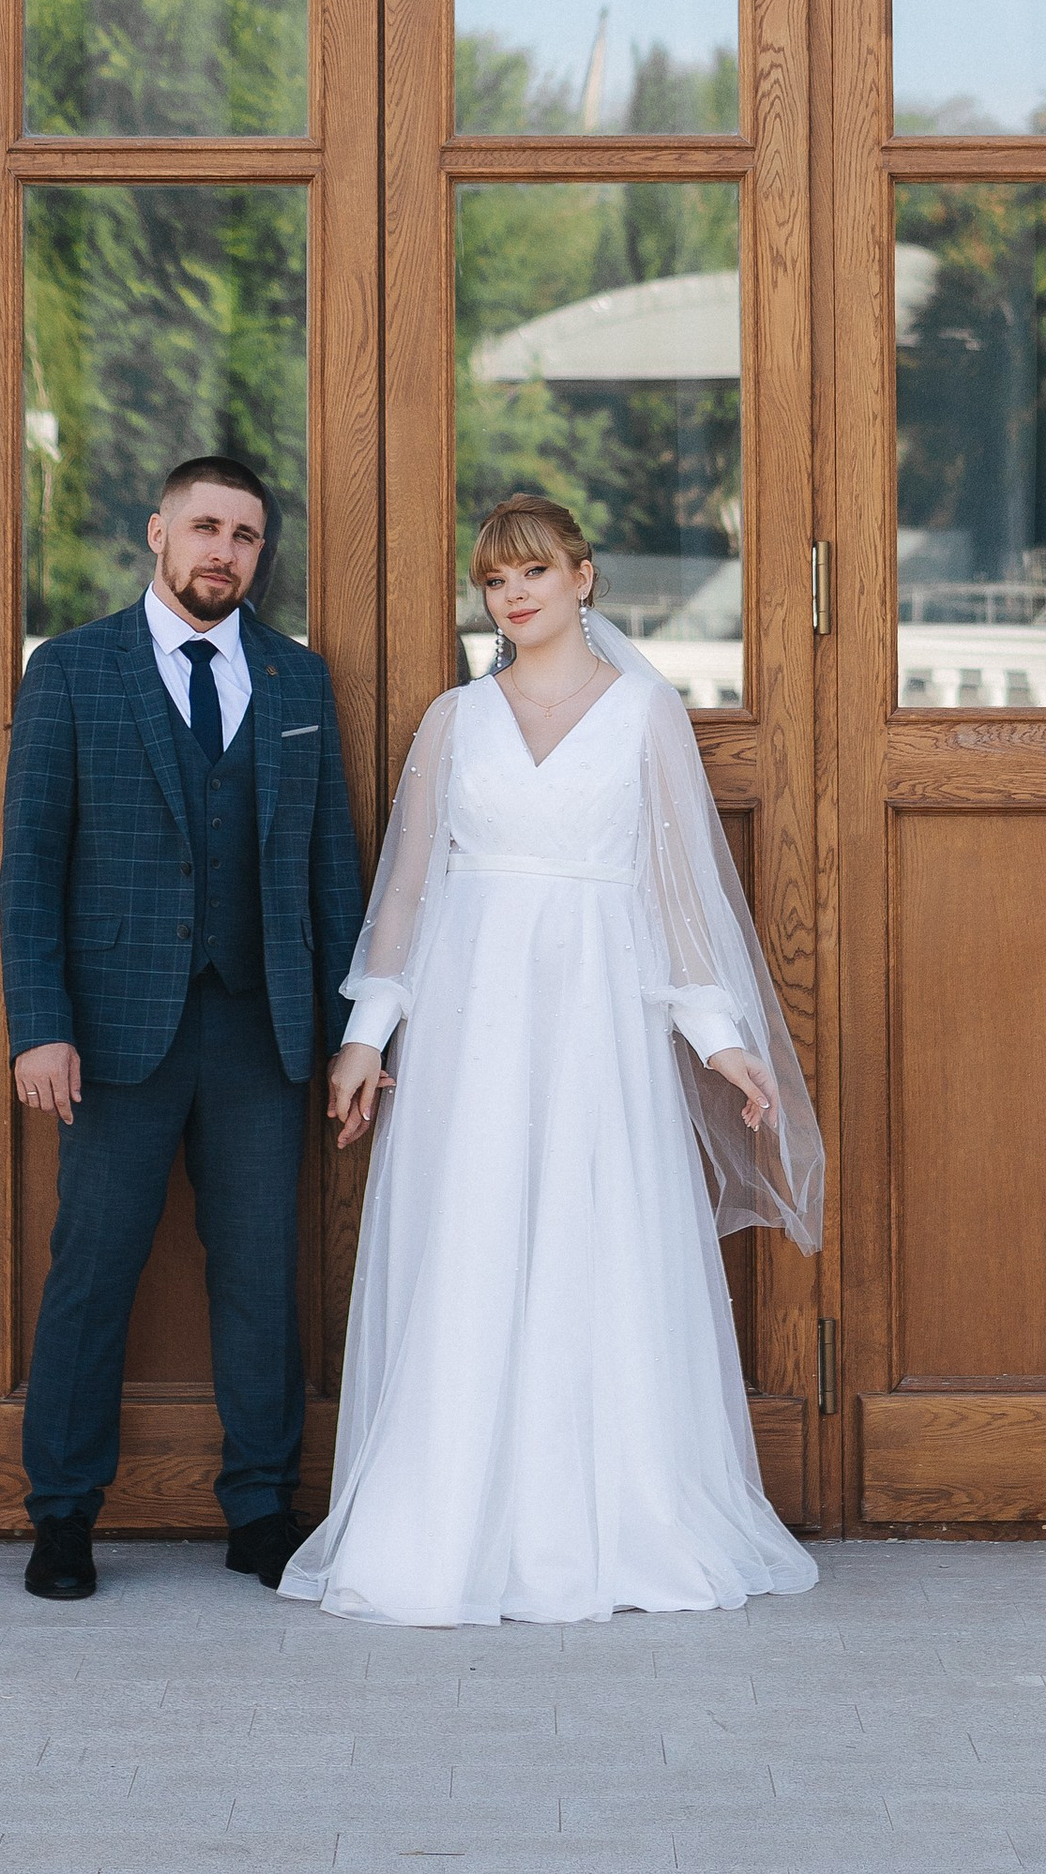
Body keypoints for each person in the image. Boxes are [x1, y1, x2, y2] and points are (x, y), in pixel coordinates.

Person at [280, 492, 823, 1627]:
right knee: (471, 1236)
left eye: (532, 570)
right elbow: (410, 889)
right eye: (492, 579)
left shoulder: (644, 714)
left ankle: (608, 1520)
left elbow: (677, 893)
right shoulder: (453, 719)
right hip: (473, 1014)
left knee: (592, 1239)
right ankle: (444, 1520)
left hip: (594, 1015)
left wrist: (720, 1041)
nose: (512, 592)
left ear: (584, 576)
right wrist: (365, 1036)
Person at [0, 452, 365, 1601]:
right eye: (204, 526)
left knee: (261, 1274)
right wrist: (39, 1024)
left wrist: (355, 1035)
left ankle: (261, 1505)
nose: (223, 551)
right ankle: (62, 1513)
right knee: (91, 1271)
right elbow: (30, 865)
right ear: (156, 531)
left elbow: (332, 870)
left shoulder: (300, 682)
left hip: (263, 1029)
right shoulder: (70, 670)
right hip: (112, 1033)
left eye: (246, 535)